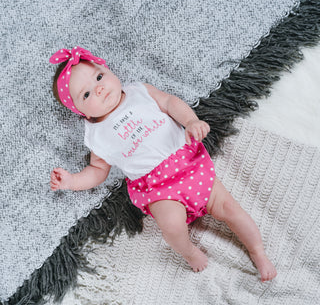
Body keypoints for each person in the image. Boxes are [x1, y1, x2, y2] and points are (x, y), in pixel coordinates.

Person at [49, 46, 277, 281]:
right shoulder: (96, 135)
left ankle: (257, 251)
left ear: (108, 70)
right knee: (171, 226)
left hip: (188, 165)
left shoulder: (140, 92)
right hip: (158, 188)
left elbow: (170, 103)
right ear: (81, 112)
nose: (98, 88)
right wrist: (72, 181)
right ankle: (188, 251)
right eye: (86, 95)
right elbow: (97, 171)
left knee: (230, 208)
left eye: (99, 77)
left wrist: (190, 121)